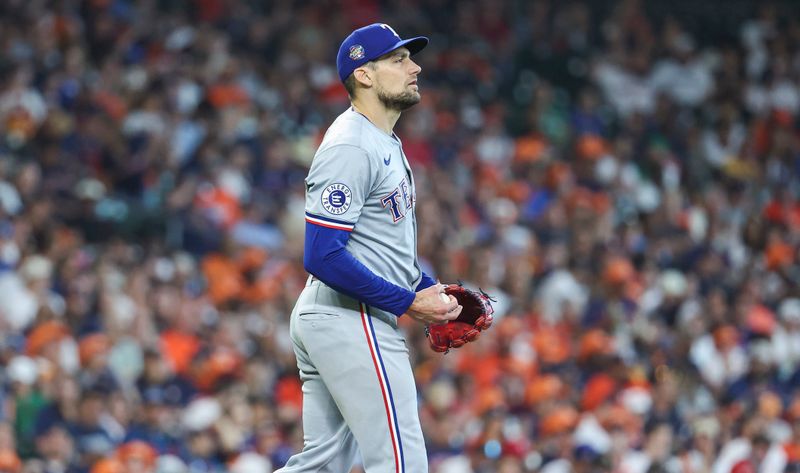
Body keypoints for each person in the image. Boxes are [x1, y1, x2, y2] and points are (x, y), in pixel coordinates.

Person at [276, 23, 463, 473]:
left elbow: (378, 246)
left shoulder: (381, 141)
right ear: (365, 74)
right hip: (350, 316)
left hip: (340, 315)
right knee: (402, 463)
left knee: (321, 466)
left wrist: (428, 288)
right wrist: (407, 302)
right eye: (398, 60)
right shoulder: (352, 144)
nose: (414, 67)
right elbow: (322, 254)